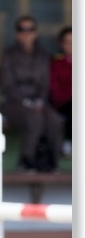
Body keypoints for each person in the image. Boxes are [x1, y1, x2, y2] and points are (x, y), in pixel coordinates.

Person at [0, 15, 64, 172]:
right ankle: (26, 160)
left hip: (39, 103)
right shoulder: (8, 54)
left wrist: (39, 101)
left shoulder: (42, 55)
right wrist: (26, 102)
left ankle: (51, 161)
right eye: (22, 29)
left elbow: (45, 84)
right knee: (33, 117)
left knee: (54, 119)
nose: (26, 33)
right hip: (13, 104)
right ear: (16, 33)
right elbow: (7, 85)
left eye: (30, 29)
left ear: (36, 33)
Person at [49, 25, 72, 159]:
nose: (71, 46)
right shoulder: (56, 64)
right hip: (63, 104)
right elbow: (55, 91)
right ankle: (69, 143)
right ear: (61, 44)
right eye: (67, 42)